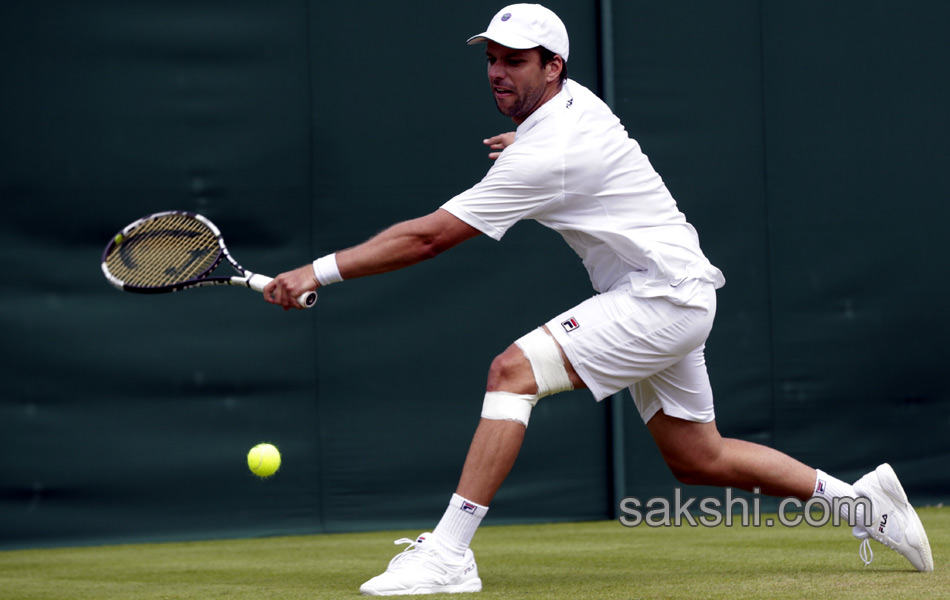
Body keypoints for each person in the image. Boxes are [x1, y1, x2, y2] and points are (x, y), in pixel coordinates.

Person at [264, 4, 934, 595]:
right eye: (492, 60)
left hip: (661, 298)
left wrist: (314, 273)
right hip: (674, 292)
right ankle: (862, 502)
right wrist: (523, 142)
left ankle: (447, 556)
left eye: (516, 62)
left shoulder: (547, 151)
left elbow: (429, 239)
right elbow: (557, 152)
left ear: (552, 66)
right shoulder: (571, 109)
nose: (499, 73)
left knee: (511, 372)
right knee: (698, 458)